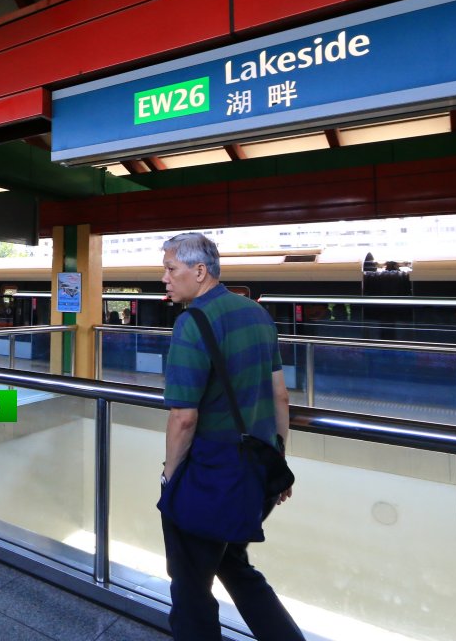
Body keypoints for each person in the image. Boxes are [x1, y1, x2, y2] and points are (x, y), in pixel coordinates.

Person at [159, 233, 303, 641]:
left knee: (189, 589)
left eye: (171, 269)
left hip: (210, 475)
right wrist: (278, 459)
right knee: (234, 566)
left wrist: (170, 477)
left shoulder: (193, 322)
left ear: (199, 271)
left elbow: (184, 417)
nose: (165, 279)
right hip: (253, 473)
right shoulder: (256, 314)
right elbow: (280, 394)